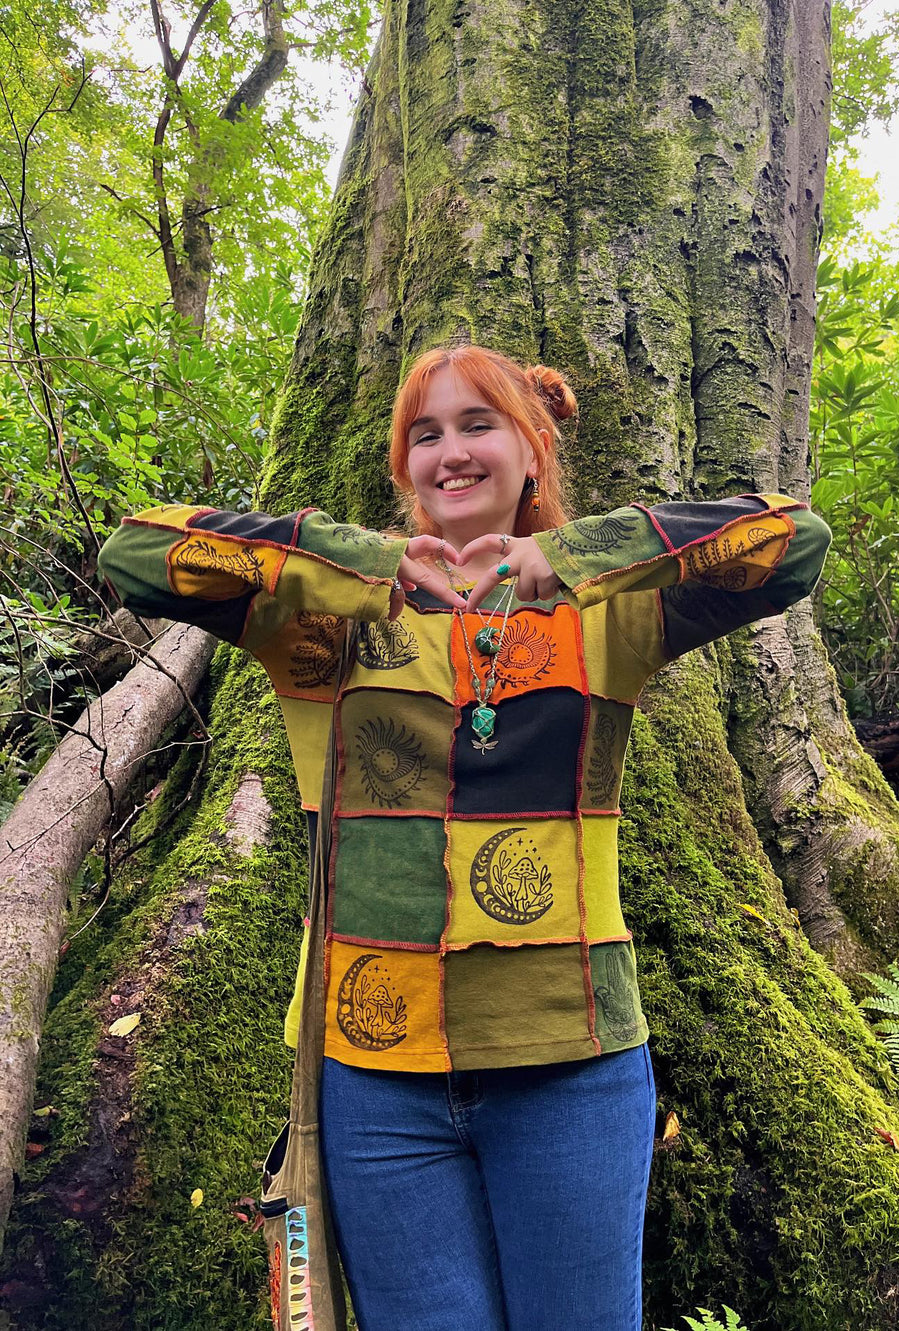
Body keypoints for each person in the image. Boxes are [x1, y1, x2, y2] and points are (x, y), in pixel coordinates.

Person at [96, 343, 833, 1330]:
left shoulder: (612, 612)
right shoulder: (321, 619)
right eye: (423, 434)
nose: (449, 451)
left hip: (570, 1061)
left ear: (532, 449)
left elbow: (793, 542)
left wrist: (572, 555)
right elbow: (135, 554)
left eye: (476, 424)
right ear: (401, 468)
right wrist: (356, 562)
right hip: (372, 1072)